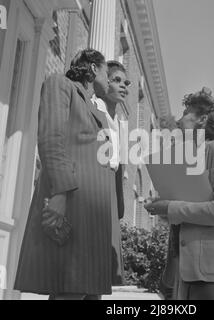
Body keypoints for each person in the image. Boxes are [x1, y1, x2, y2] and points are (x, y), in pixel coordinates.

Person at [14, 49, 116, 300]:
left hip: (94, 215)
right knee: (69, 290)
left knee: (88, 292)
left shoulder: (98, 112)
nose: (110, 79)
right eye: (107, 73)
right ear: (92, 68)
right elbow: (51, 139)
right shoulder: (60, 85)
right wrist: (59, 195)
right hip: (72, 203)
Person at [145, 87, 214, 300]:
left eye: (185, 114)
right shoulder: (185, 157)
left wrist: (171, 207)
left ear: (202, 119)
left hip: (213, 277)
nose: (179, 122)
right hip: (182, 274)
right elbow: (188, 211)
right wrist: (163, 206)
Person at [92, 60, 131, 286]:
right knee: (81, 270)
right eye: (117, 80)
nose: (123, 86)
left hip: (111, 197)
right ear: (105, 81)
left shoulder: (121, 122)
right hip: (93, 189)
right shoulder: (92, 107)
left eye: (126, 82)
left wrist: (118, 205)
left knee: (101, 275)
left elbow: (119, 168)